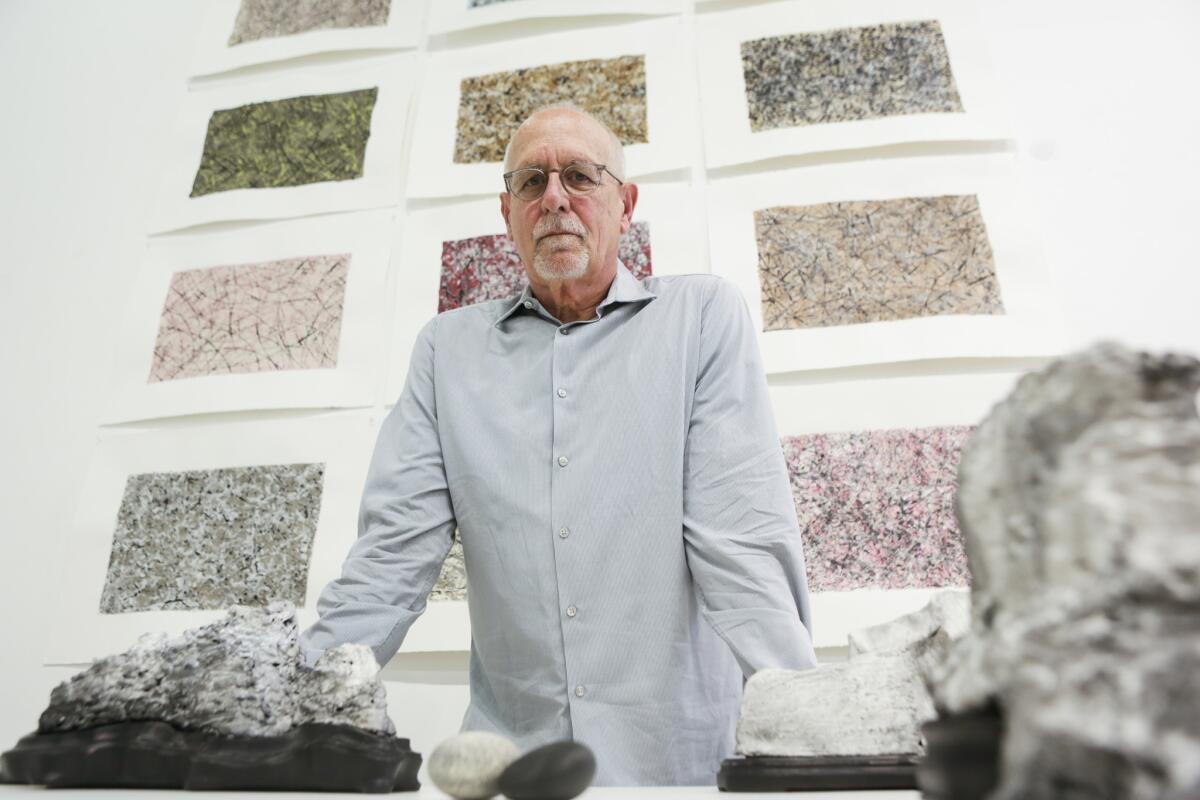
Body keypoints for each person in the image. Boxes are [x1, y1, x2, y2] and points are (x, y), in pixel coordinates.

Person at [300, 104, 817, 786]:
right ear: (507, 212)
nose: (554, 199)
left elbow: (741, 534)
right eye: (530, 182)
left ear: (625, 204)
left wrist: (810, 726)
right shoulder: (444, 353)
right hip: (511, 769)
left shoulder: (702, 320)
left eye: (579, 175)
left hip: (676, 767)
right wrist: (295, 701)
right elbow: (392, 555)